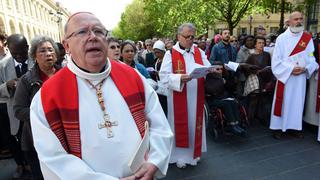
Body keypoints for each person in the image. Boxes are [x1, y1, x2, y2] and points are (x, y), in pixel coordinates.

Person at [30, 12, 173, 179]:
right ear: (66, 45)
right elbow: (53, 158)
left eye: (98, 31)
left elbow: (159, 125)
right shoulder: (47, 97)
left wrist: (154, 161)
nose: (92, 37)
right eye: (82, 32)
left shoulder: (133, 77)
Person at [159, 23, 211, 168]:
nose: (190, 39)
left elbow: (206, 66)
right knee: (181, 125)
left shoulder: (199, 52)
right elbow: (163, 77)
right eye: (187, 36)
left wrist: (212, 70)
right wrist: (179, 78)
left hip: (196, 95)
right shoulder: (170, 53)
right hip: (178, 96)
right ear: (178, 36)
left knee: (195, 124)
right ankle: (180, 156)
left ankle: (194, 154)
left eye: (192, 37)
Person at [13, 35, 60, 180]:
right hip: (36, 141)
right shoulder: (27, 80)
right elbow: (18, 110)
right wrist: (45, 113)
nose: (48, 54)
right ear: (34, 56)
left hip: (63, 139)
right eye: (43, 51)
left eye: (51, 50)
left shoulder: (65, 75)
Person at [270, 11, 318, 139]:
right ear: (289, 22)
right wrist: (291, 69)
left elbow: (311, 57)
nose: (299, 21)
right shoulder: (281, 38)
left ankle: (294, 127)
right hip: (285, 77)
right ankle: (278, 128)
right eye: (296, 19)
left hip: (300, 77)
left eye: (301, 19)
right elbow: (276, 60)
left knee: (297, 102)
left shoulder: (307, 38)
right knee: (283, 101)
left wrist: (306, 68)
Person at [0, 34, 34, 178]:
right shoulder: (3, 65)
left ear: (27, 48)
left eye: (22, 52)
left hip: (34, 111)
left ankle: (38, 167)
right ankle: (23, 164)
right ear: (9, 49)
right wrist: (7, 86)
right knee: (19, 141)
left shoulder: (37, 60)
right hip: (15, 113)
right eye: (15, 54)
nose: (19, 56)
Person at [244, 36, 274, 125]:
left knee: (264, 100)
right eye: (259, 43)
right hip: (256, 81)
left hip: (265, 80)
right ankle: (250, 119)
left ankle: (264, 119)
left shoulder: (267, 55)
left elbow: (270, 67)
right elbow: (246, 68)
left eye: (263, 43)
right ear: (255, 44)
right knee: (254, 100)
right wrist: (255, 70)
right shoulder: (251, 56)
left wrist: (269, 77)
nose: (261, 45)